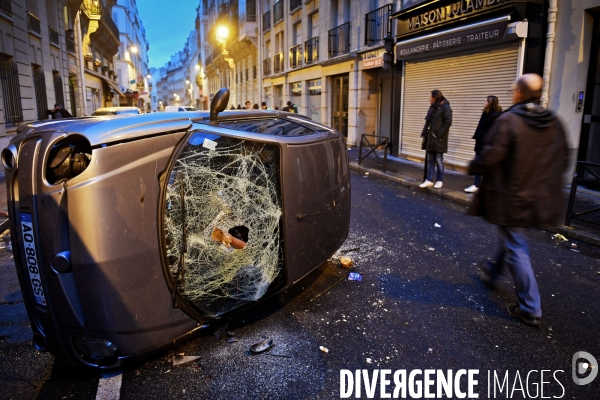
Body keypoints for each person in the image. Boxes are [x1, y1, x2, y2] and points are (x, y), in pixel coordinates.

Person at [469, 73, 568, 327]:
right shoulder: (553, 122)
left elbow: (492, 155)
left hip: (513, 196)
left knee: (516, 245)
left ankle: (530, 308)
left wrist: (473, 165)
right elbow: (563, 160)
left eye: (514, 90)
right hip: (539, 196)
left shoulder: (510, 120)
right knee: (513, 237)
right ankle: (492, 271)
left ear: (519, 93)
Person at [465, 96, 503, 193]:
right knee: (479, 162)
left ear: (490, 103)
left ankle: (482, 185)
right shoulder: (486, 112)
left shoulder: (496, 115)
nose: (484, 102)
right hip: (481, 142)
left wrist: (486, 141)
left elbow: (493, 132)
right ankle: (477, 185)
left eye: (486, 101)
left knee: (487, 164)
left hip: (487, 144)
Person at [419, 90, 452, 189]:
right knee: (430, 160)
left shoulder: (445, 108)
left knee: (439, 160)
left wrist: (438, 135)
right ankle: (429, 180)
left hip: (438, 139)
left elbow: (448, 122)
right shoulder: (433, 108)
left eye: (430, 97)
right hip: (430, 138)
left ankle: (439, 180)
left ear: (435, 98)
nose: (429, 99)